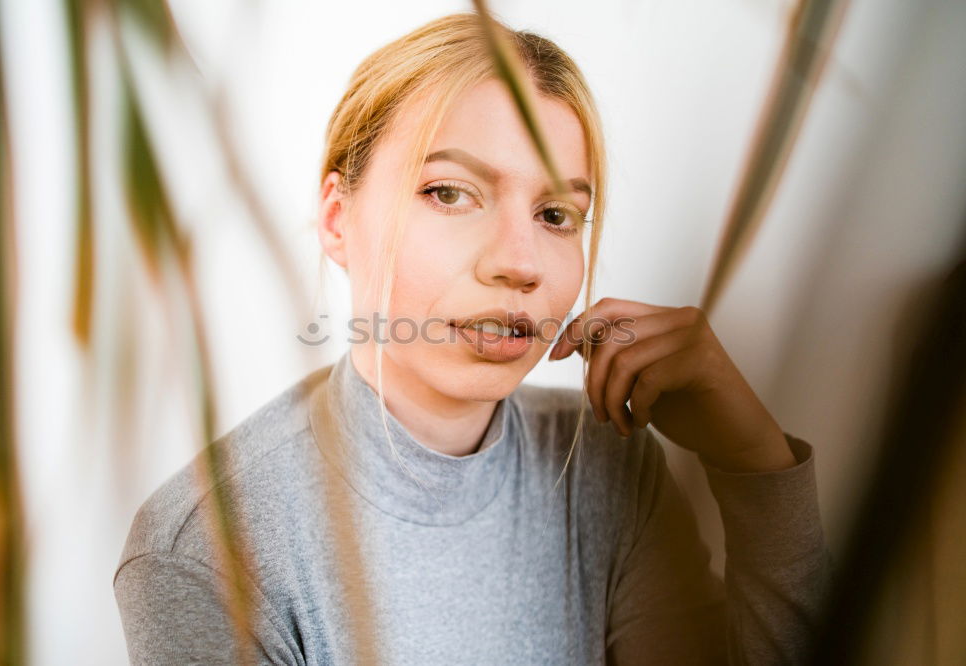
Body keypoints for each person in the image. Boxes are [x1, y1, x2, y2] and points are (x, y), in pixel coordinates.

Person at [114, 12, 832, 665]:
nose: (518, 262)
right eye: (449, 193)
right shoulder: (205, 550)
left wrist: (753, 462)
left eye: (556, 214)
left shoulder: (606, 467)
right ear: (338, 219)